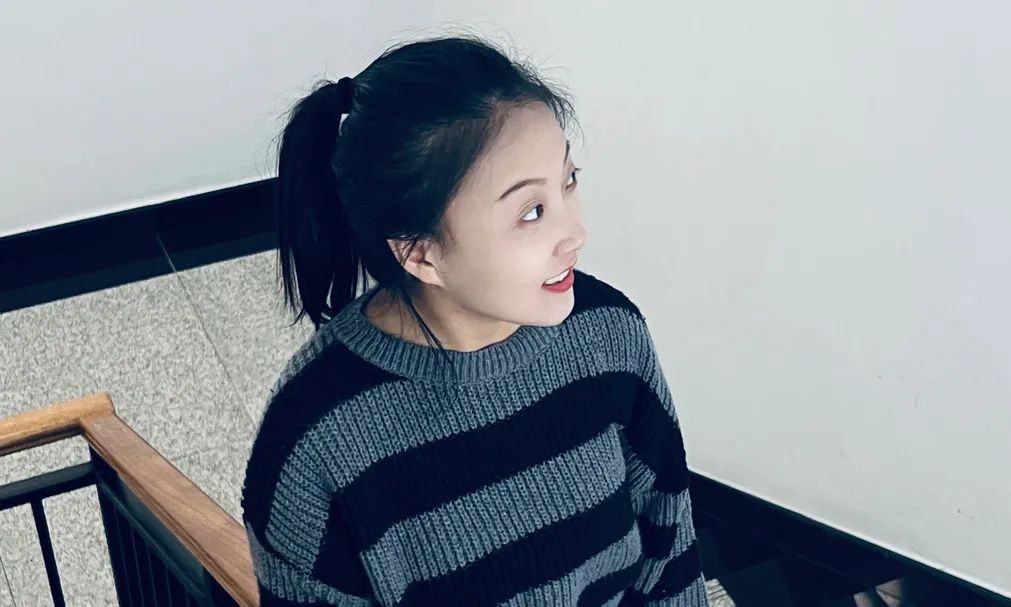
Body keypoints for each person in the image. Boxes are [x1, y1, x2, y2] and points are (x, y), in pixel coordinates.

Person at [240, 33, 710, 606]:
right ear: (420, 254)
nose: (576, 234)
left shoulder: (610, 335)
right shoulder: (315, 444)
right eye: (531, 212)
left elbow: (669, 549)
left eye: (569, 180)